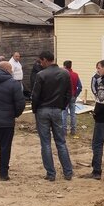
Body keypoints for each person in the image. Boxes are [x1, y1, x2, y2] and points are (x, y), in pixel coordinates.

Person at [31, 51, 74, 181]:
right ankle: (68, 172)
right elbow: (68, 93)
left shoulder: (41, 75)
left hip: (43, 110)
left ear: (45, 60)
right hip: (57, 110)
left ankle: (51, 174)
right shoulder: (64, 73)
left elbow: (36, 95)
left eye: (41, 61)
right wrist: (62, 106)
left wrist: (35, 110)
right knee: (61, 142)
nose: (40, 63)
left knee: (45, 143)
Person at [61, 60, 82, 136]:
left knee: (64, 114)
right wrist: (76, 95)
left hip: (65, 97)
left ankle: (64, 131)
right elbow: (80, 87)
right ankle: (73, 130)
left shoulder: (63, 75)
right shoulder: (75, 75)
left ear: (65, 66)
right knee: (73, 114)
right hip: (73, 96)